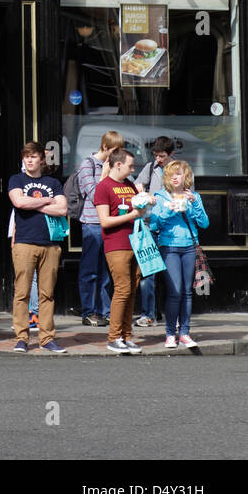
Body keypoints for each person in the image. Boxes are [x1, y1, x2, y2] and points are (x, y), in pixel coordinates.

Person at [8, 141, 68, 353]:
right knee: (22, 293)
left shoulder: (53, 182)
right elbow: (20, 203)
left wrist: (37, 202)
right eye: (26, 157)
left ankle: (47, 338)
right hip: (24, 242)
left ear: (41, 159)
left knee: (47, 294)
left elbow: (62, 209)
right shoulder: (17, 179)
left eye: (33, 157)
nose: (29, 160)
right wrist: (47, 201)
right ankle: (21, 338)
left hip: (50, 244)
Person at [149, 159, 207, 349]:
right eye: (172, 174)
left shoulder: (194, 196)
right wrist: (168, 211)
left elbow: (204, 223)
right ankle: (169, 334)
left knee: (187, 293)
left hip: (189, 246)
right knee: (175, 292)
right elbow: (154, 225)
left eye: (179, 173)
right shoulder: (160, 196)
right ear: (167, 177)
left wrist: (194, 204)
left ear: (186, 177)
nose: (175, 177)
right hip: (169, 247)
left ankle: (184, 333)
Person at [94, 147, 147, 354]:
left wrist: (144, 200)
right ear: (118, 164)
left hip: (135, 242)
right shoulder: (104, 187)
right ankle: (114, 337)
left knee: (132, 289)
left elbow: (138, 210)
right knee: (123, 288)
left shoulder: (129, 185)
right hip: (116, 245)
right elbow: (105, 221)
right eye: (130, 165)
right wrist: (133, 214)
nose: (132, 169)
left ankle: (126, 335)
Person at [74, 131, 123, 327]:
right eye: (114, 150)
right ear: (105, 147)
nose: (117, 155)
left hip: (110, 223)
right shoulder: (87, 164)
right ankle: (88, 311)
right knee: (89, 270)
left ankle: (105, 311)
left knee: (106, 271)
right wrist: (104, 176)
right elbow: (95, 194)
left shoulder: (114, 166)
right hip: (92, 223)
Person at [132, 136, 175, 328]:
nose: (159, 159)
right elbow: (136, 187)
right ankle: (148, 314)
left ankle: (172, 315)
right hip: (149, 225)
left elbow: (185, 197)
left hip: (171, 228)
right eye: (156, 155)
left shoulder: (179, 170)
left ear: (171, 154)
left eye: (162, 156)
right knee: (148, 273)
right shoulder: (150, 168)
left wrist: (160, 200)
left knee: (172, 274)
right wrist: (141, 192)